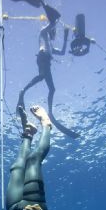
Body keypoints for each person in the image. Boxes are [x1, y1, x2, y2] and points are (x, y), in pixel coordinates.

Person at [16, 10, 79, 138]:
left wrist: (66, 35)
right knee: (42, 77)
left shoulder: (50, 44)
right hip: (42, 57)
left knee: (52, 88)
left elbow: (61, 52)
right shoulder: (43, 33)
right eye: (54, 32)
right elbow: (51, 24)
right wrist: (55, 20)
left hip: (45, 61)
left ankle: (50, 113)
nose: (54, 34)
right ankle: (22, 91)